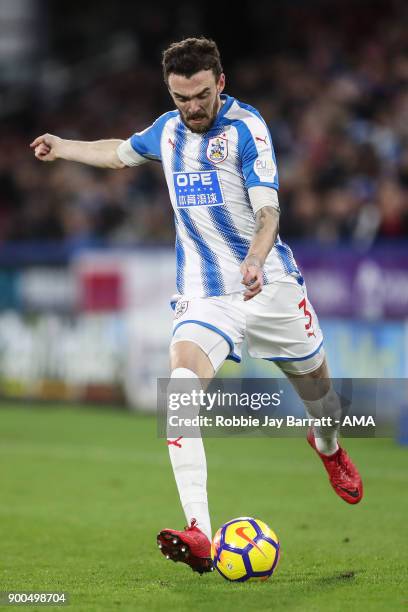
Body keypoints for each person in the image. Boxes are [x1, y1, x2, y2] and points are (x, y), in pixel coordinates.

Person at [31, 37, 363, 575]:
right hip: (206, 296)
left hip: (270, 287)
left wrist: (254, 260)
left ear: (220, 83)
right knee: (181, 389)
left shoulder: (247, 130)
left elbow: (269, 211)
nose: (192, 107)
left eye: (202, 95)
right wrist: (63, 145)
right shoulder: (166, 130)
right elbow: (118, 153)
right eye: (181, 97)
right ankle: (200, 533)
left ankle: (328, 447)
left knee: (323, 399)